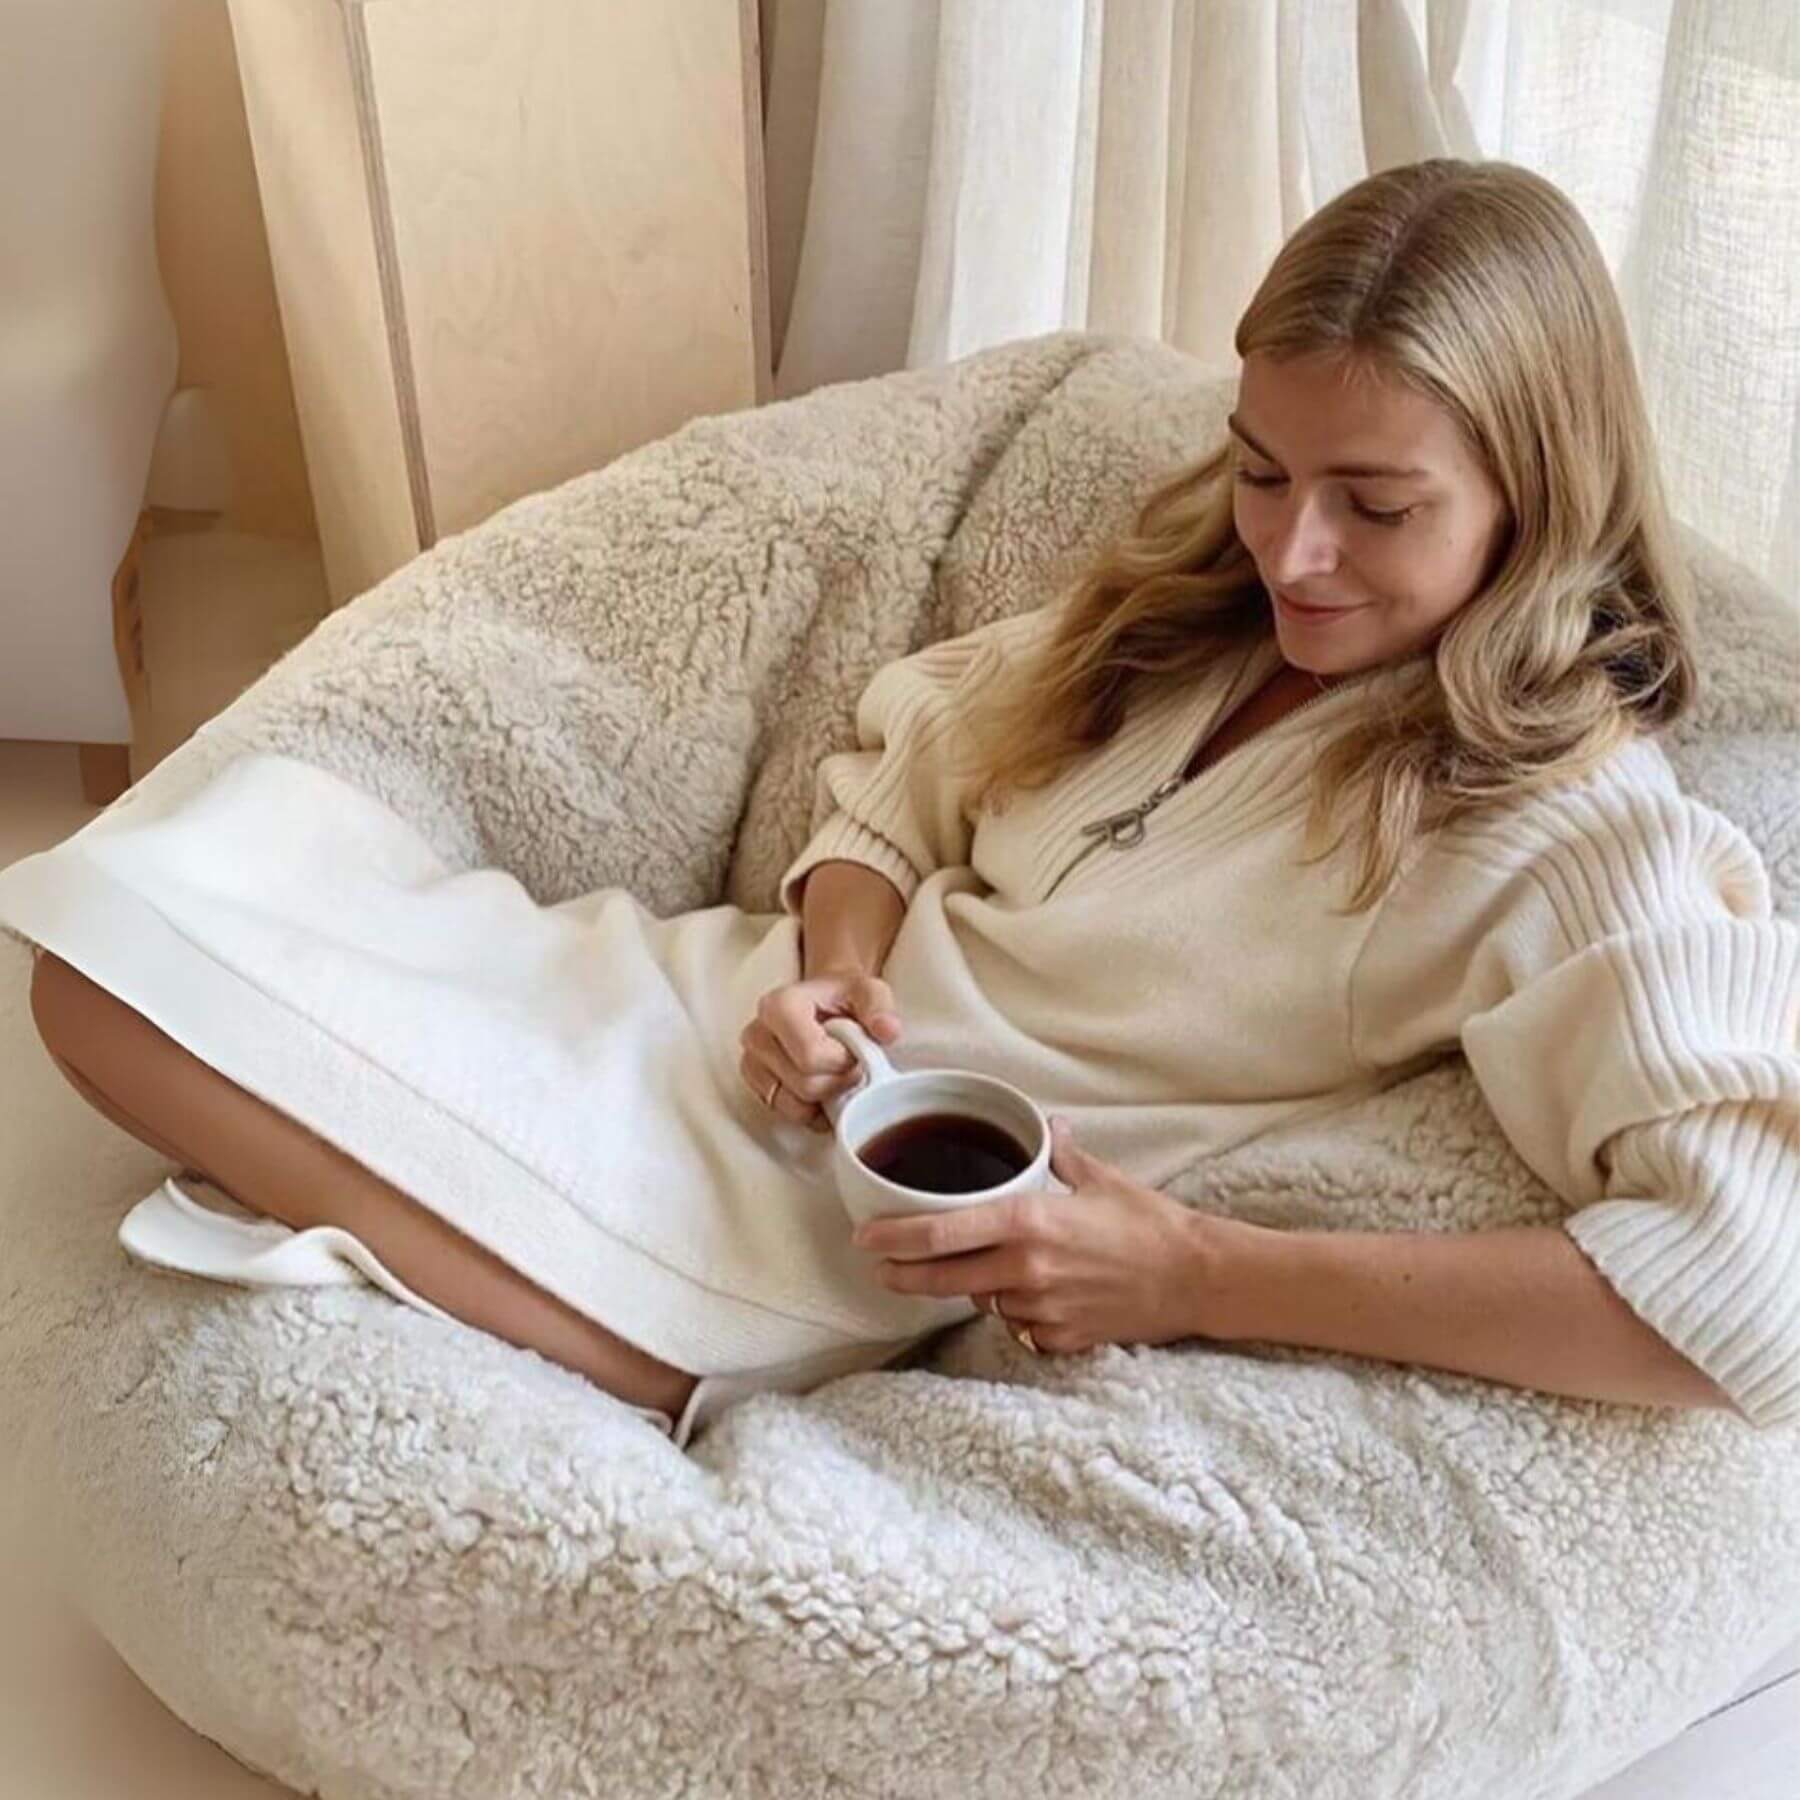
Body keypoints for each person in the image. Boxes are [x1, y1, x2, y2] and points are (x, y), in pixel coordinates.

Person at [19, 158, 1799, 1447]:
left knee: (108, 988)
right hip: (724, 1025)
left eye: (1375, 504)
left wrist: (1194, 1269)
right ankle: (459, 1230)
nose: (1297, 551)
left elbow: (1743, 1283)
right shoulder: (1198, 604)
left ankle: (616, 1344)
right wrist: (832, 959)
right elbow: (910, 760)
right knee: (156, 883)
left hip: (819, 1225)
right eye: (1263, 472)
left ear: (1533, 489)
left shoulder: (1574, 827)